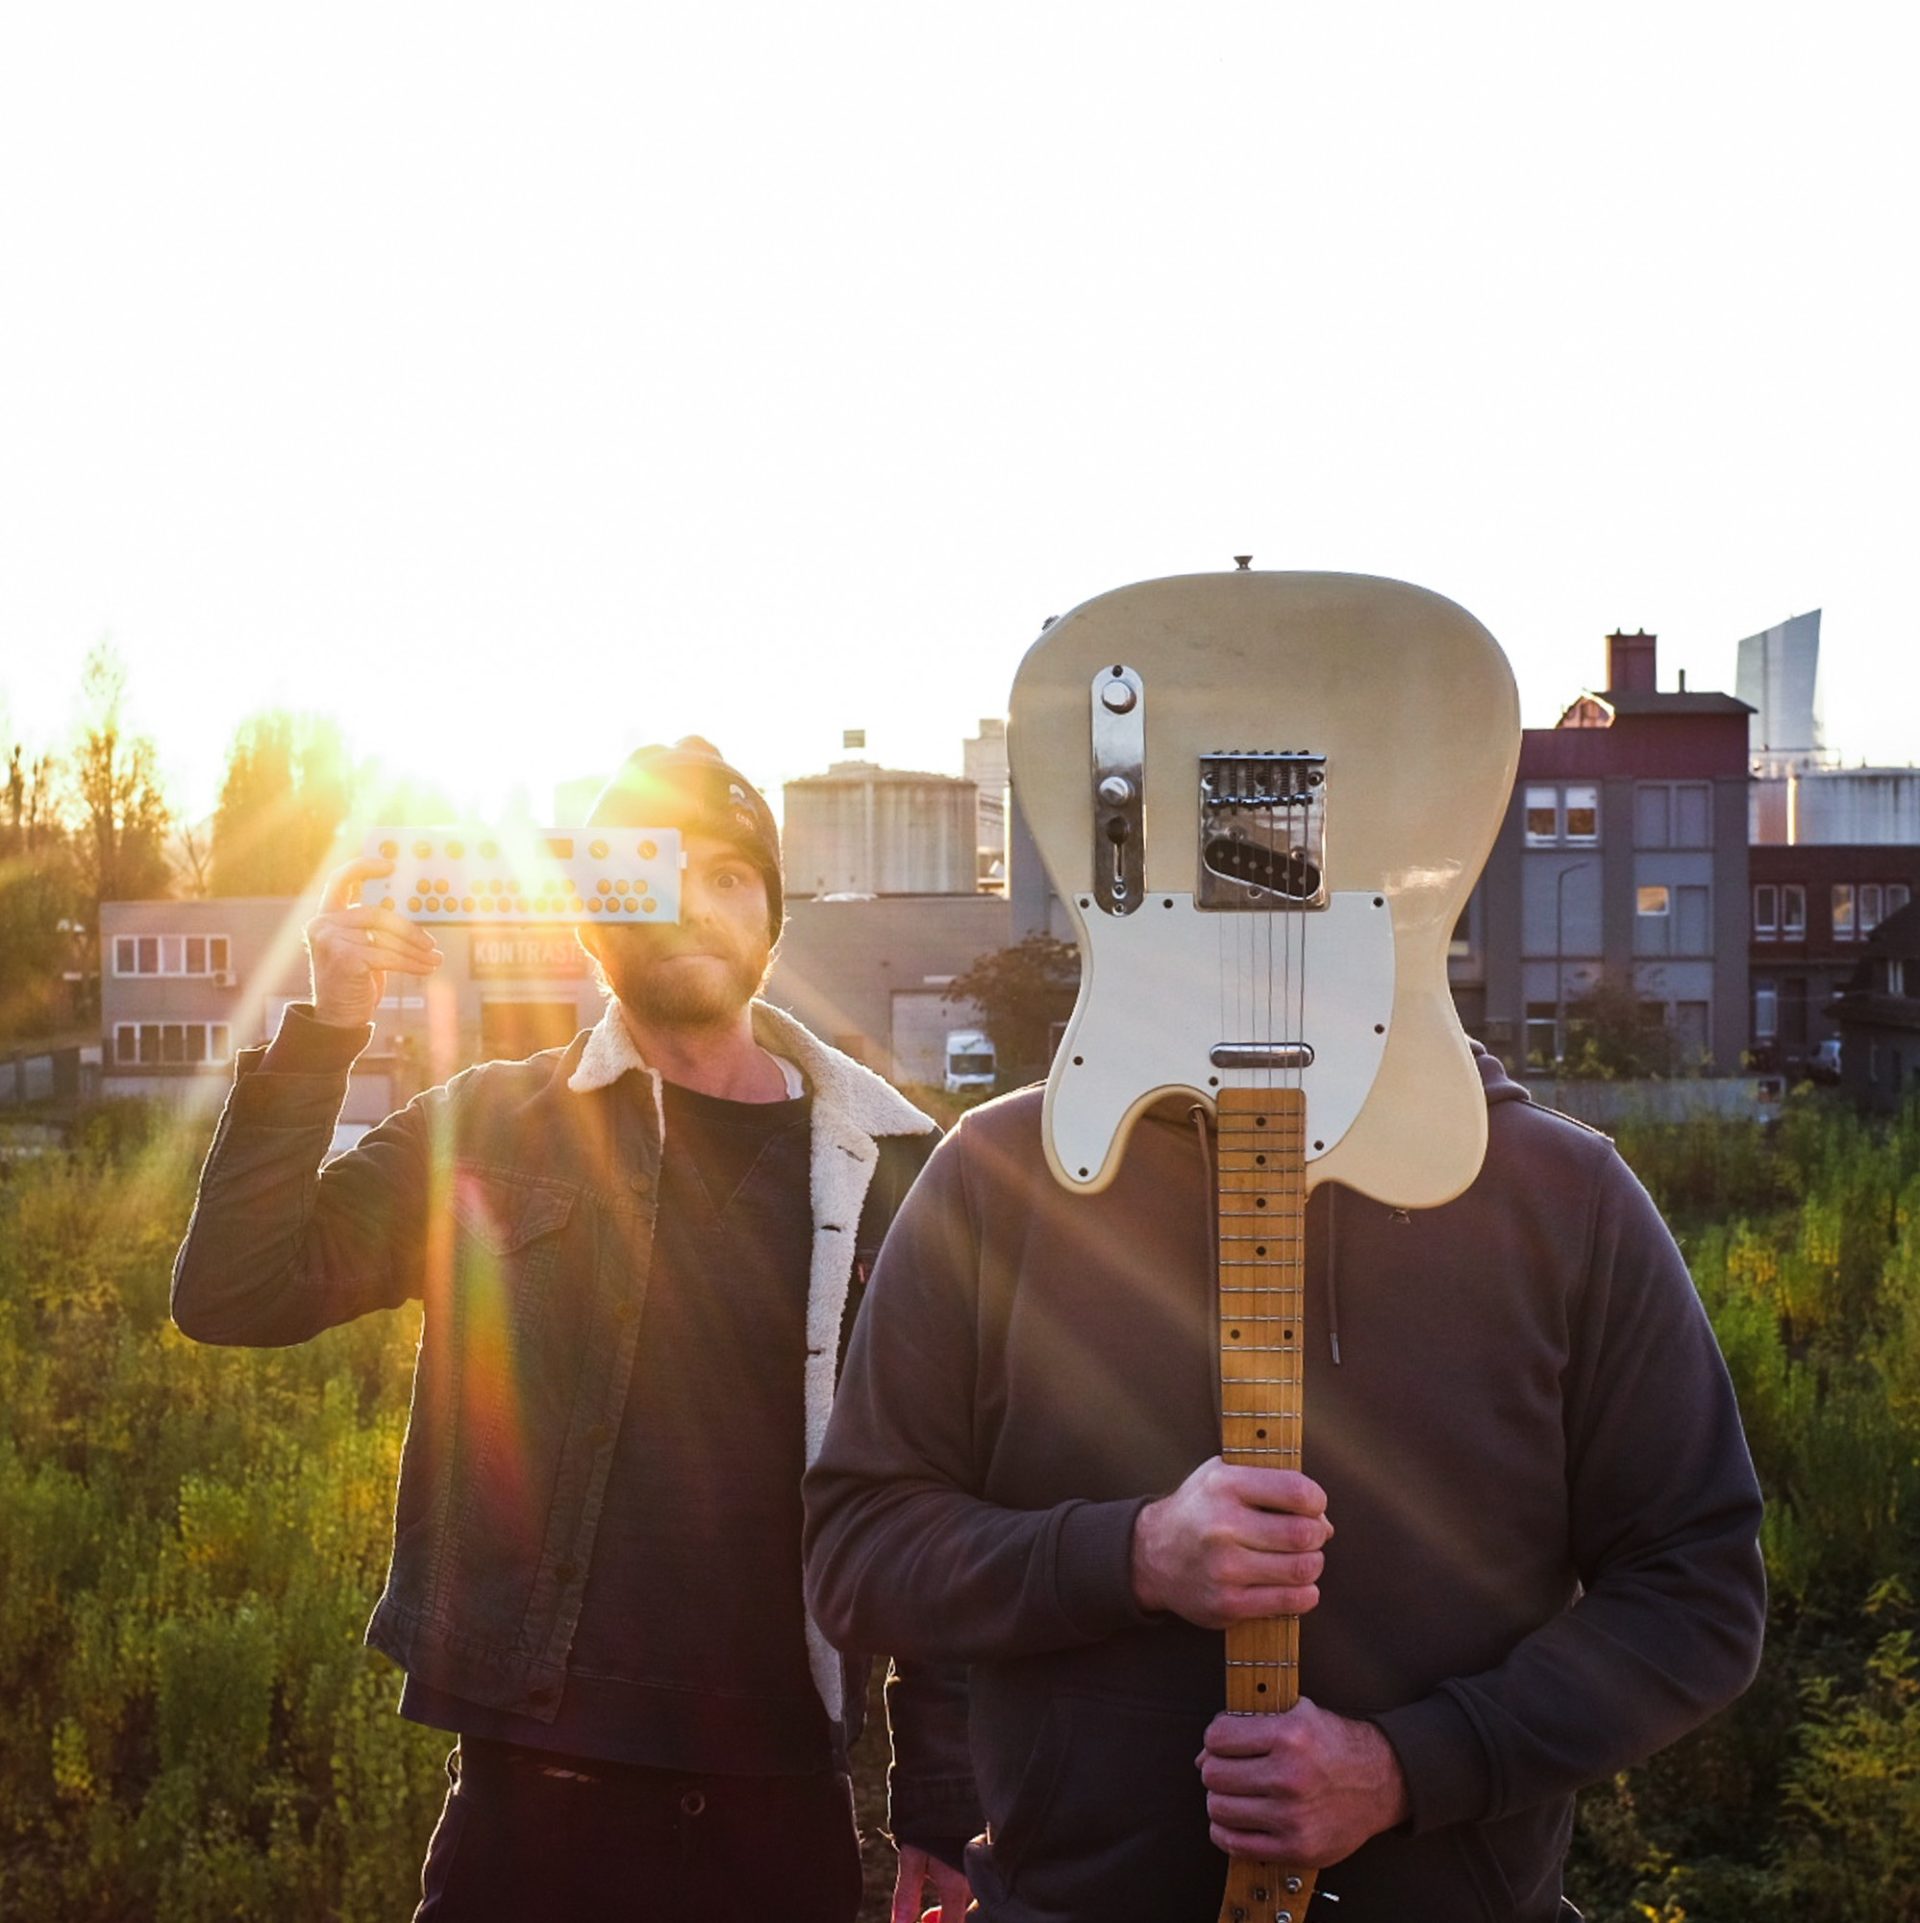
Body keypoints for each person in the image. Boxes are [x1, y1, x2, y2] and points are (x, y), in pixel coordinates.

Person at [173, 739, 977, 1923]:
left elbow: (939, 1498)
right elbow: (234, 1291)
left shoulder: (898, 1172)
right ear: (594, 924)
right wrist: (328, 1023)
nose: (693, 908)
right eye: (647, 877)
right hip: (535, 1807)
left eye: (729, 876)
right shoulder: (489, 1127)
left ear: (773, 921)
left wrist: (943, 1805)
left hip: (785, 1810)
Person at [802, 1042, 1767, 1921]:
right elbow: (857, 1550)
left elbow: (1700, 1588)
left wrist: (1406, 1768)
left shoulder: (1562, 1189)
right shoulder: (1000, 1169)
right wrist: (1132, 1554)